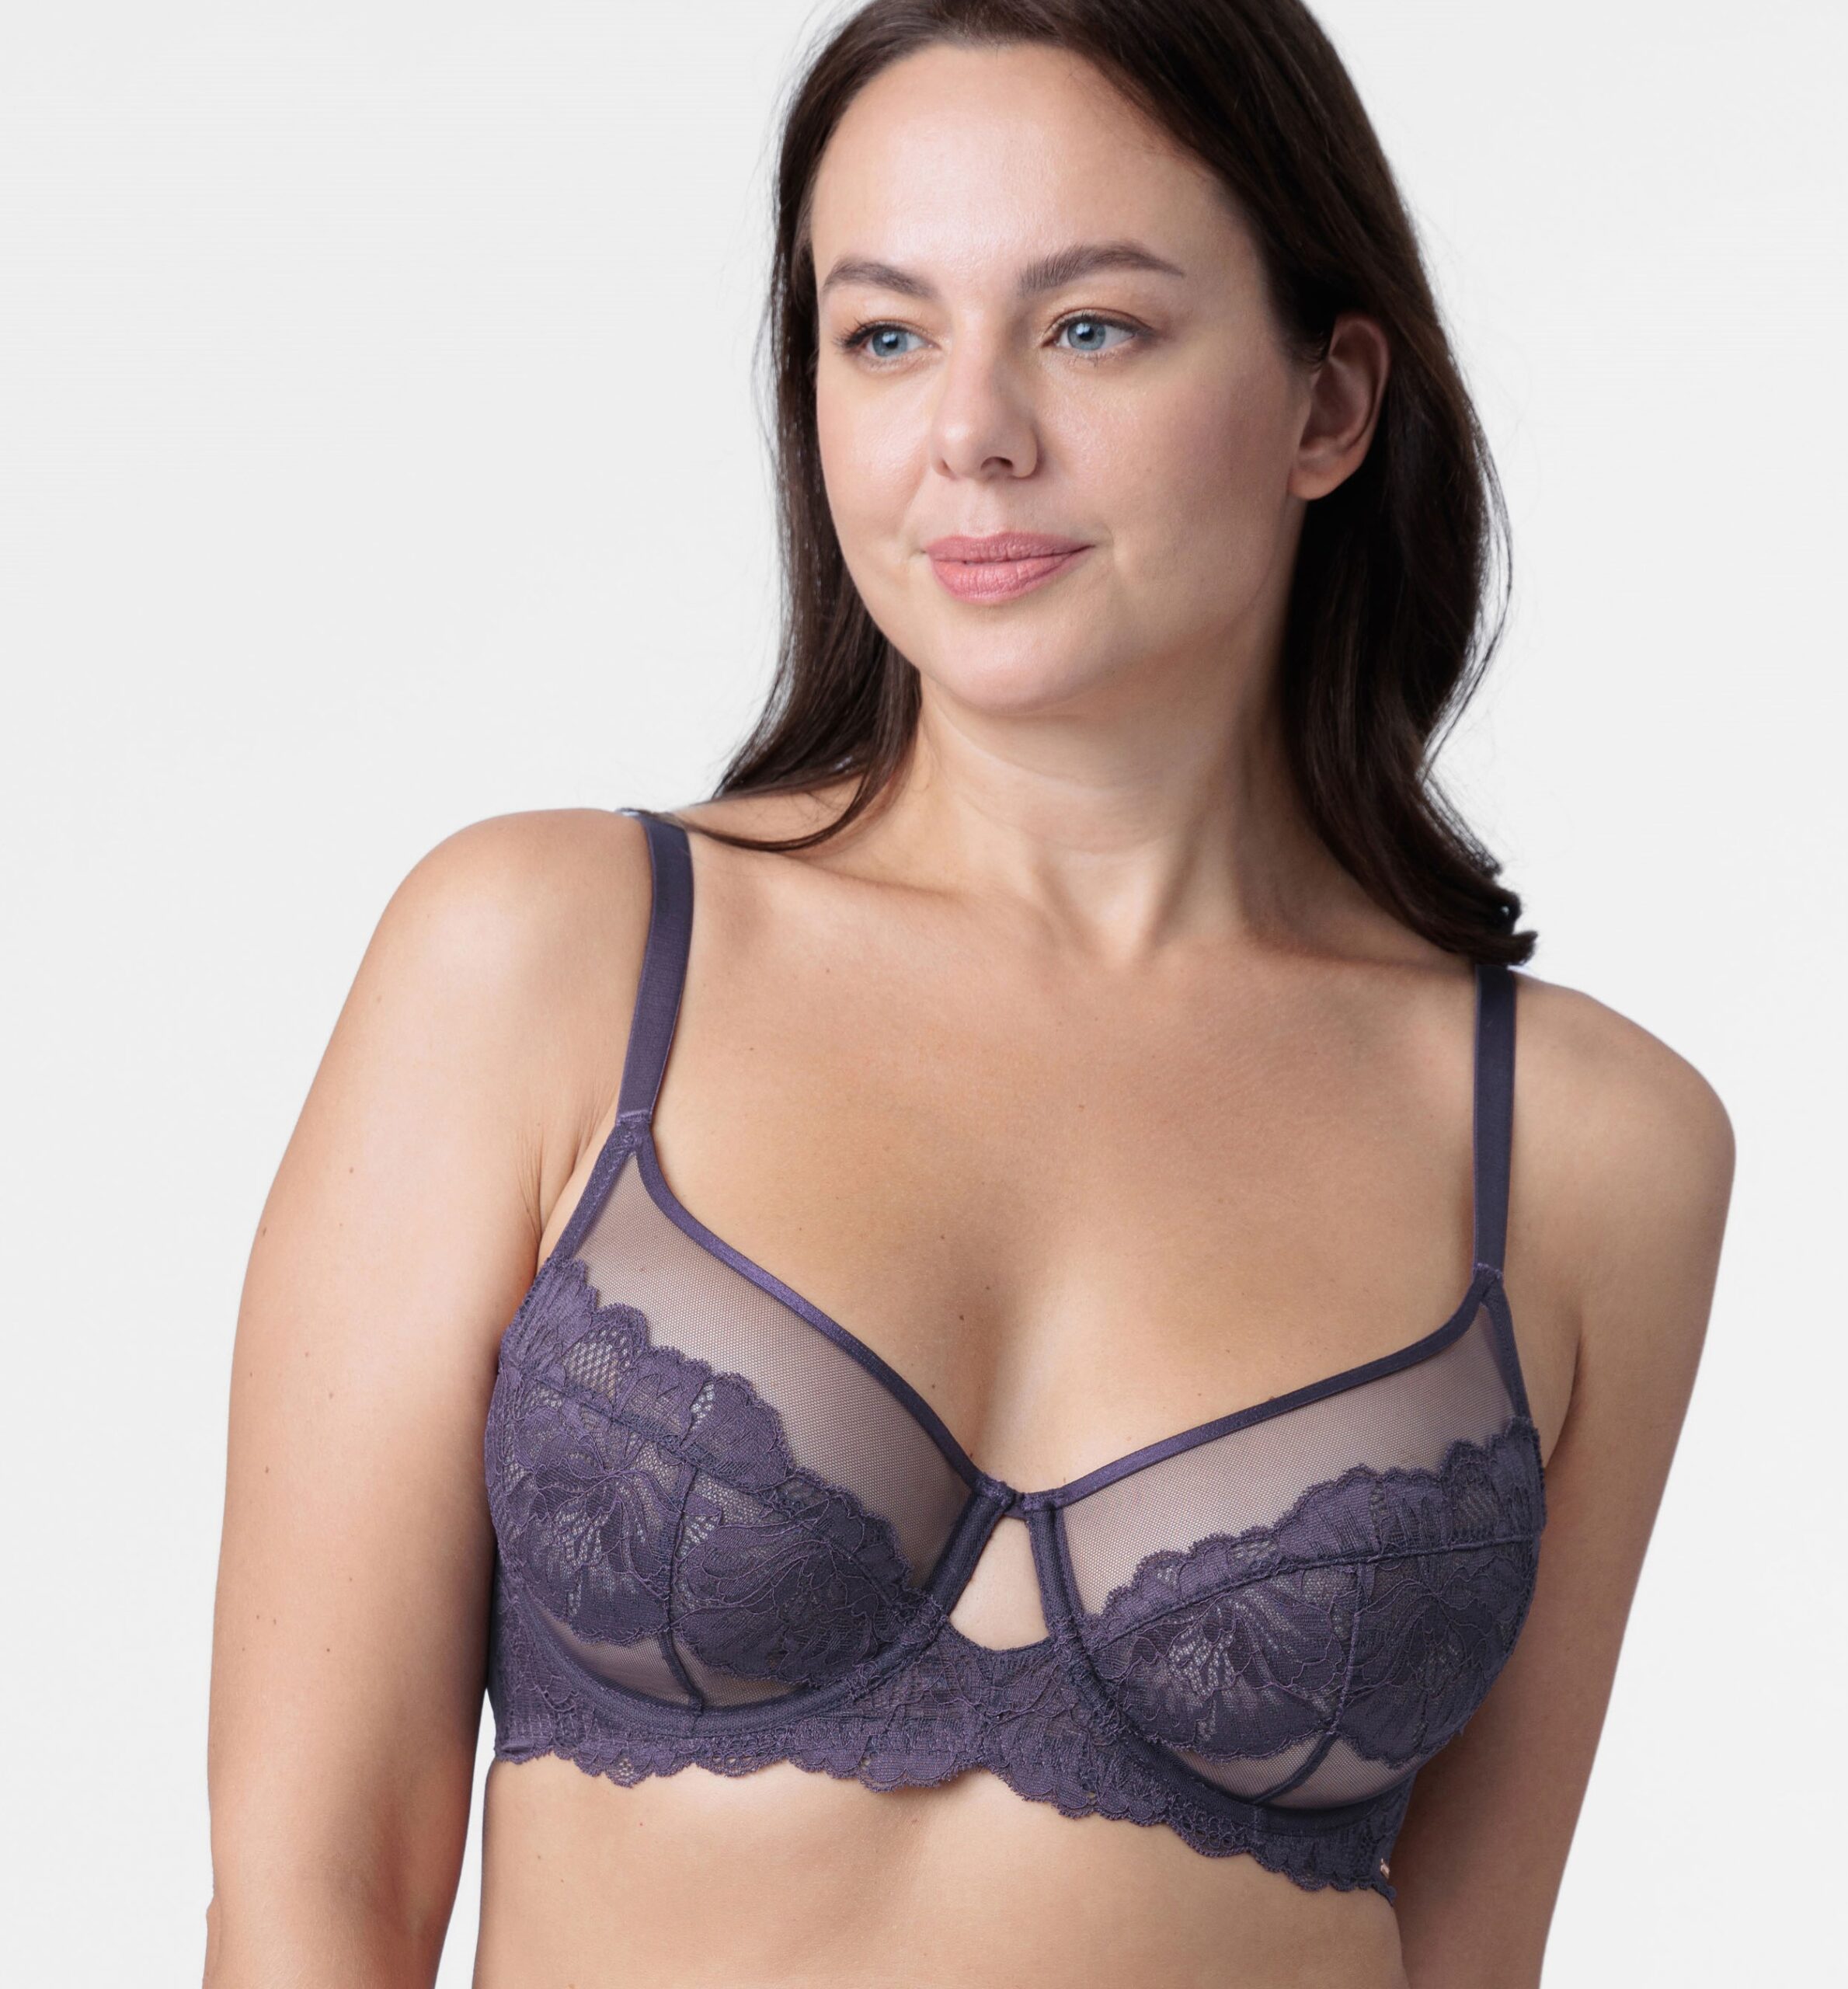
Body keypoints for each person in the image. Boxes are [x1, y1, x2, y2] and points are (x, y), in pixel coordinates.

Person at [203, 4, 1733, 1985]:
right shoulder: (549, 955)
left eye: (1090, 327)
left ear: (1327, 403)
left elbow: (1468, 1948)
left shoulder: (1586, 1151)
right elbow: (317, 1884)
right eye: (884, 334)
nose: (973, 432)